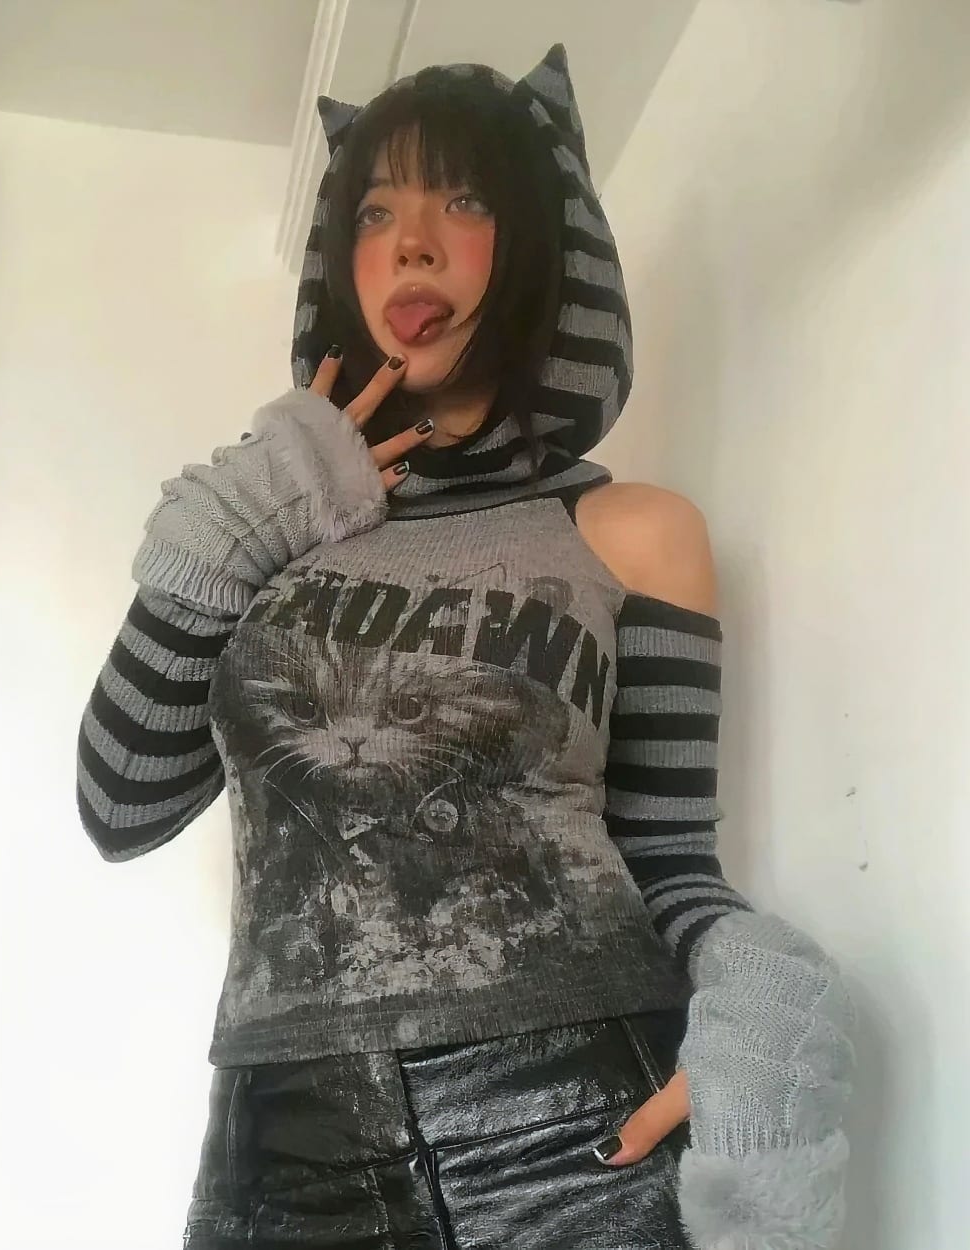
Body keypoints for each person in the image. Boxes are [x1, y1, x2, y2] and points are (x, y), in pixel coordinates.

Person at [76, 44, 855, 1250]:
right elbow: (121, 802)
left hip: (576, 1133)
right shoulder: (276, 540)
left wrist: (759, 994)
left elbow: (666, 858)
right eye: (375, 210)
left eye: (465, 199)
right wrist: (237, 518)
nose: (413, 243)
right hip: (280, 1149)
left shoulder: (630, 529)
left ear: (540, 243)